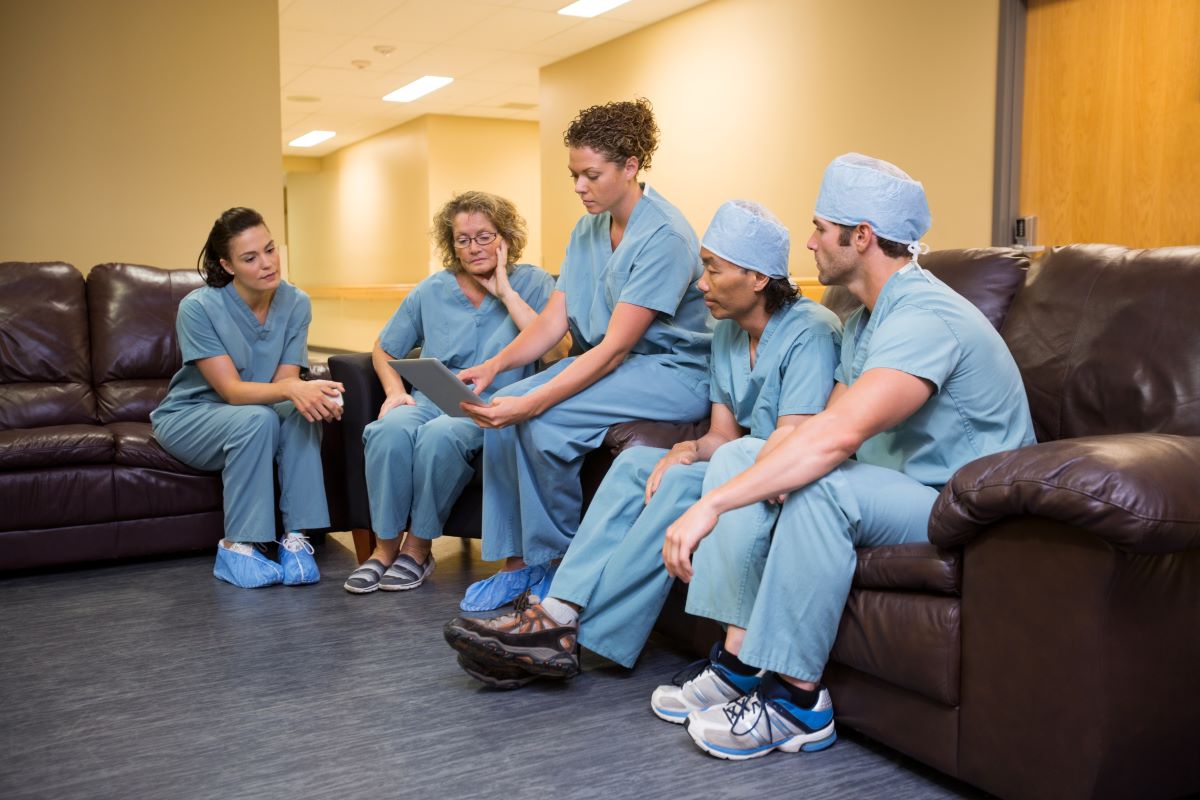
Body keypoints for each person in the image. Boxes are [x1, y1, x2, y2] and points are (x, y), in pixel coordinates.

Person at [647, 154, 1037, 760]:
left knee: (818, 485)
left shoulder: (924, 317)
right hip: (897, 488)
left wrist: (712, 506)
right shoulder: (864, 322)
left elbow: (834, 442)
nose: (808, 242)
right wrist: (753, 464)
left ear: (861, 237)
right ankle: (738, 666)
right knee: (750, 454)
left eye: (821, 229)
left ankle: (798, 705)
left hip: (962, 507)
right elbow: (823, 427)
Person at [443, 200, 843, 688]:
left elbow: (791, 446)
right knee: (636, 466)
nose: (699, 284)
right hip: (737, 459)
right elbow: (720, 435)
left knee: (673, 488)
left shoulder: (813, 332)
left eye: (713, 270)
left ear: (758, 278)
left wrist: (692, 465)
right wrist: (685, 449)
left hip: (782, 474)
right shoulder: (727, 335)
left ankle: (571, 635)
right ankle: (556, 611)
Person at [453, 98, 713, 612]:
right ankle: (516, 563)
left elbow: (615, 349)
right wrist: (496, 365)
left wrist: (534, 404)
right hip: (618, 360)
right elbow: (554, 321)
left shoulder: (664, 235)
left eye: (591, 175)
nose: (579, 187)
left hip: (674, 372)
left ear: (631, 166)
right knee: (500, 410)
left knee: (541, 422)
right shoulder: (587, 229)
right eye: (574, 175)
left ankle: (560, 567)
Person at [342, 191, 556, 594]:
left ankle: (419, 548)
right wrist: (392, 393)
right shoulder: (432, 290)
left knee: (442, 436)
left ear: (505, 237)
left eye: (484, 236)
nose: (473, 248)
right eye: (462, 239)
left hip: (495, 407)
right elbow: (385, 347)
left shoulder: (535, 283)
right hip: (431, 398)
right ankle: (384, 549)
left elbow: (557, 349)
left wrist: (506, 293)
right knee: (387, 429)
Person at [151, 207, 343, 589]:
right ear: (228, 264)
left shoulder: (296, 302)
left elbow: (285, 383)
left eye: (271, 250)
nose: (268, 264)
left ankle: (296, 539)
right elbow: (232, 392)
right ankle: (237, 547)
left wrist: (306, 394)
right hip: (193, 416)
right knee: (261, 416)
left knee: (299, 411)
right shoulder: (198, 308)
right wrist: (292, 389)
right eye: (250, 258)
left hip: (260, 411)